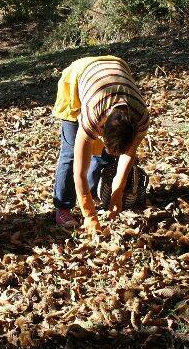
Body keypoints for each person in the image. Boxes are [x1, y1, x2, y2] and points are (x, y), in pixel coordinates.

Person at [52, 56, 149, 234]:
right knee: (72, 153)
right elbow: (78, 173)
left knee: (101, 154)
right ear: (102, 129)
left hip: (115, 66)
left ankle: (91, 193)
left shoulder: (141, 118)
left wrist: (117, 194)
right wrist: (89, 216)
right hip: (79, 75)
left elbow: (129, 154)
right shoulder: (92, 116)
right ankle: (63, 207)